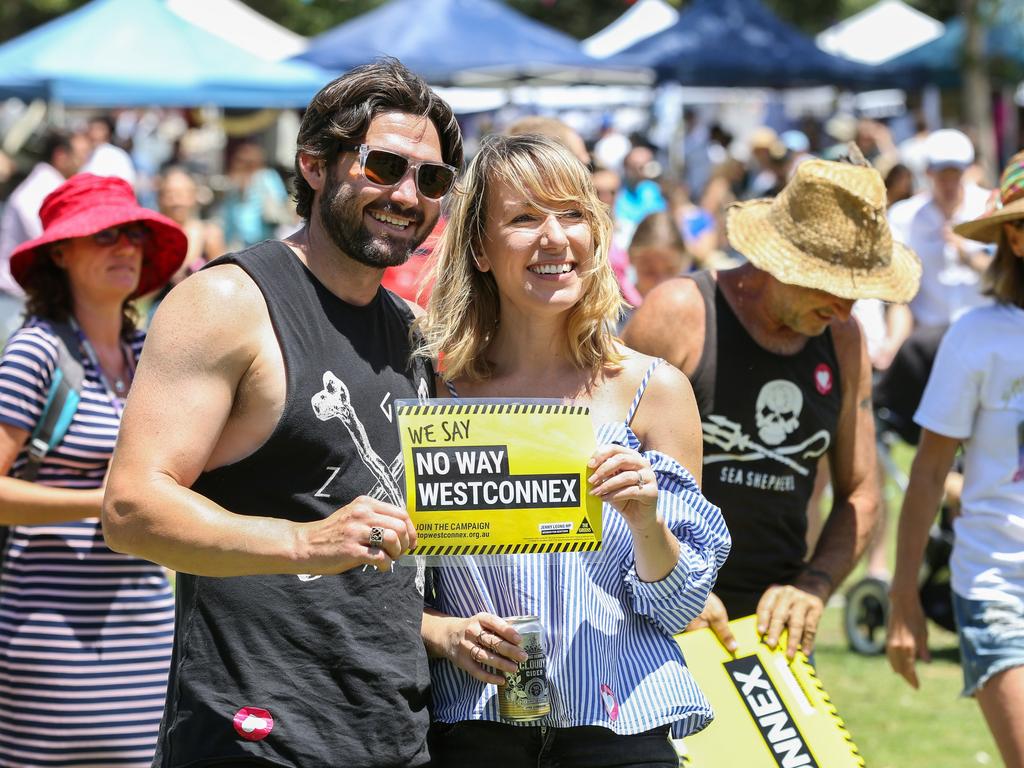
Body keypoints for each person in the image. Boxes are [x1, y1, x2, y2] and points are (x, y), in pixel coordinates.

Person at [100, 59, 463, 767]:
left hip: (394, 733)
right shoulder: (230, 303)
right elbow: (132, 508)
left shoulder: (415, 330)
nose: (407, 193)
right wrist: (303, 543)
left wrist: (443, 631)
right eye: (384, 166)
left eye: (431, 178)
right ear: (315, 166)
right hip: (256, 735)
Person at [417, 134, 730, 768]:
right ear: (478, 247)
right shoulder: (432, 390)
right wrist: (445, 634)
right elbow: (379, 583)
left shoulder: (654, 390)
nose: (554, 237)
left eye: (573, 214)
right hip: (474, 731)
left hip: (620, 730)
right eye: (525, 217)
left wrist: (647, 521)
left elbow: (681, 608)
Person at [623, 155, 922, 658]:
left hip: (771, 632)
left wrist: (815, 585)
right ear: (776, 260)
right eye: (830, 286)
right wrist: (675, 587)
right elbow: (596, 464)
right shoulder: (681, 313)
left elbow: (863, 494)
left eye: (857, 293)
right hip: (651, 621)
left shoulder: (843, 339)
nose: (845, 310)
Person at [0, 173, 186, 766]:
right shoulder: (36, 351)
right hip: (49, 628)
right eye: (104, 236)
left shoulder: (146, 355)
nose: (124, 248)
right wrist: (103, 501)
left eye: (132, 234)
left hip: (147, 618)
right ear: (60, 251)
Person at [887, 150, 1024, 767]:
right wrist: (904, 598)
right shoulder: (976, 337)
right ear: (1013, 237)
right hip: (998, 586)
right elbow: (928, 475)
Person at [0, 129, 90, 340]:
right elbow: (49, 243)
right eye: (81, 154)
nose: (84, 161)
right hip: (17, 301)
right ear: (61, 155)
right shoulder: (40, 189)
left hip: (28, 298)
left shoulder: (48, 186)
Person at [218, 139, 291, 250]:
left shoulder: (266, 176)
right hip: (238, 240)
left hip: (261, 238)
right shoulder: (234, 180)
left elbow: (278, 200)